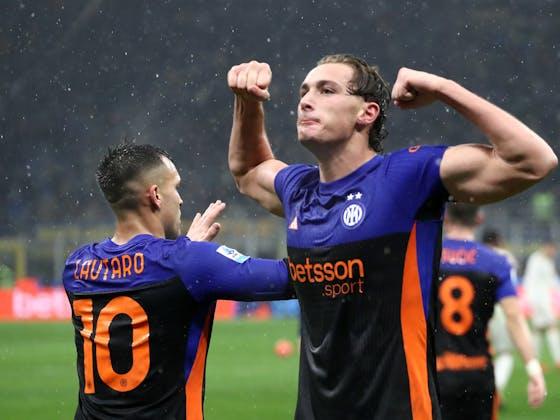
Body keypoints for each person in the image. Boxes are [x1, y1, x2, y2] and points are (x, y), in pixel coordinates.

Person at [227, 54, 557, 419]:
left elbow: (533, 161)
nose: (306, 100)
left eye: (327, 90)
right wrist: (248, 102)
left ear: (366, 113)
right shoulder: (299, 190)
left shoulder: (405, 178)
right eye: (304, 91)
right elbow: (248, 169)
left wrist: (443, 88)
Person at [62, 143, 294, 419]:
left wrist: (184, 251)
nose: (181, 199)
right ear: (156, 195)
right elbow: (291, 278)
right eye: (176, 187)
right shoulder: (189, 264)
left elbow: (142, 275)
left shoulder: (77, 268)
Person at [436, 204, 545, 420]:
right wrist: (533, 368)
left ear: (446, 218)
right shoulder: (495, 262)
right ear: (479, 218)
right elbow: (514, 317)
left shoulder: (427, 257)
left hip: (435, 371)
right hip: (477, 370)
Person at [482, 228, 519, 402]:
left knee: (482, 353)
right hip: (501, 308)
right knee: (505, 353)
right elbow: (512, 286)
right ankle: (494, 390)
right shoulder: (504, 257)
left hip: (479, 309)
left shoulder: (478, 255)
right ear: (499, 240)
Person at [523, 237, 560, 367]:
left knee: (538, 330)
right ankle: (557, 359)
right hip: (539, 300)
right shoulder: (536, 260)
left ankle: (536, 361)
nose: (554, 252)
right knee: (551, 327)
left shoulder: (547, 261)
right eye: (553, 249)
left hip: (543, 299)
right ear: (547, 247)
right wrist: (530, 300)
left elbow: (552, 282)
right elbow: (530, 281)